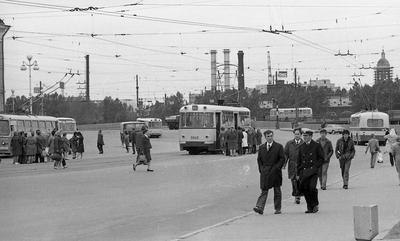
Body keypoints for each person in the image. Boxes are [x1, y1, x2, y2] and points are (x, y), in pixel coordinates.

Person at [253, 130, 285, 215]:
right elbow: (259, 160)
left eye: (271, 136)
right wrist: (261, 170)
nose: (270, 138)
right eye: (268, 136)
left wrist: (277, 168)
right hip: (265, 172)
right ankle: (259, 207)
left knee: (277, 190)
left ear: (273, 136)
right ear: (265, 137)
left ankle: (277, 208)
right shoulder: (262, 147)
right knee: (264, 190)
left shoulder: (279, 147)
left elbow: (282, 159)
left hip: (275, 172)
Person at [297, 130, 324, 214]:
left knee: (312, 188)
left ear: (311, 136)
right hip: (304, 171)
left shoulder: (316, 145)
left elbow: (321, 158)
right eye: (304, 136)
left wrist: (316, 166)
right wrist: (298, 173)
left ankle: (315, 204)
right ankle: (309, 207)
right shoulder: (301, 147)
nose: (304, 137)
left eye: (306, 136)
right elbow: (299, 161)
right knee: (305, 189)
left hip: (313, 171)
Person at [284, 128, 304, 204]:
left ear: (301, 135)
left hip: (301, 165)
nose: (297, 135)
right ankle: (297, 196)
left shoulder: (303, 143)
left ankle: (298, 195)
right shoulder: (289, 143)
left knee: (299, 181)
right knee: (293, 180)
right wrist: (284, 164)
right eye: (295, 134)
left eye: (298, 134)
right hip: (292, 165)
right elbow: (286, 154)